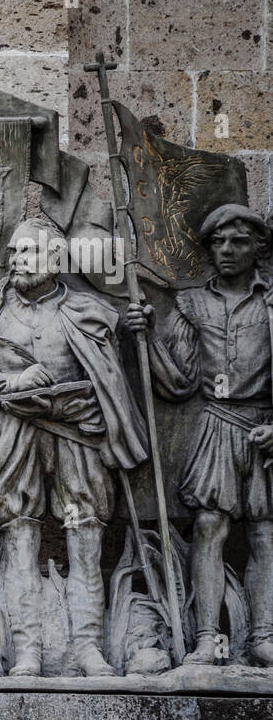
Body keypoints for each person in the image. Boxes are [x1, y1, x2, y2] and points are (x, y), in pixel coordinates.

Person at [0, 217, 147, 676]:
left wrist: (143, 329)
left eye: (27, 252)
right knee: (20, 536)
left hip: (77, 435)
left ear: (56, 259)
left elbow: (116, 383)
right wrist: (11, 380)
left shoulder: (91, 312)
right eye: (14, 253)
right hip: (14, 439)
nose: (17, 261)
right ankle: (27, 650)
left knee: (85, 536)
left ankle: (89, 649)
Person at [125, 204, 273, 667]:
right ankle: (207, 637)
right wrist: (146, 338)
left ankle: (264, 636)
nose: (227, 250)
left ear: (258, 248)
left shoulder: (271, 302)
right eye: (218, 242)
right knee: (209, 525)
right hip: (215, 424)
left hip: (263, 426)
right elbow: (178, 383)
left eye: (239, 242)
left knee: (265, 534)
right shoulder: (192, 304)